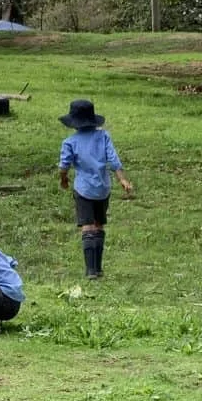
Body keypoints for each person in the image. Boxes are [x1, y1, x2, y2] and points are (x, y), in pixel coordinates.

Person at [58, 99, 133, 279]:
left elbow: (64, 166)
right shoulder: (104, 136)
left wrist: (64, 179)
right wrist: (122, 179)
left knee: (87, 226)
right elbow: (114, 160)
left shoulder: (70, 142)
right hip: (103, 189)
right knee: (99, 225)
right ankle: (98, 268)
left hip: (84, 189)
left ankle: (91, 270)